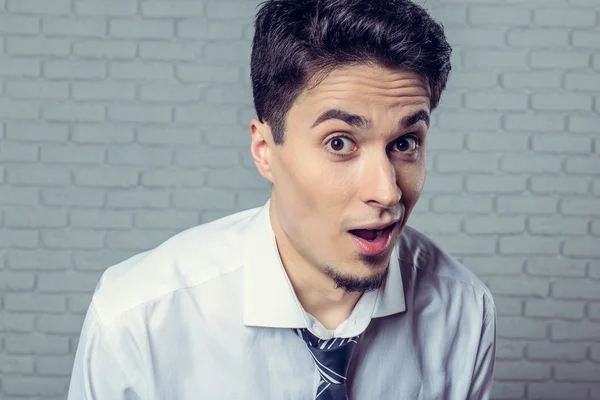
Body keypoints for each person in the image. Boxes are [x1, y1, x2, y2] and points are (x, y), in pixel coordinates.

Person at [67, 0, 496, 399]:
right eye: (340, 143)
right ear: (265, 151)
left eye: (405, 143)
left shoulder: (463, 313)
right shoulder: (137, 322)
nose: (387, 192)